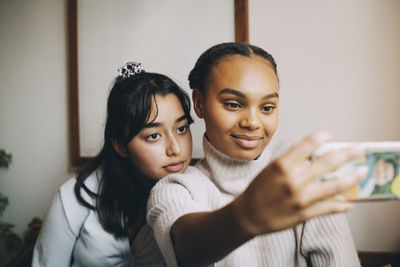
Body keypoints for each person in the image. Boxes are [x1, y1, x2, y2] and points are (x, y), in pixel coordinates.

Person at [147, 43, 368, 266]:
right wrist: (247, 215)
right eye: (233, 104)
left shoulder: (303, 170)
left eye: (267, 108)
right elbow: (185, 248)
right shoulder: (176, 188)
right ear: (199, 103)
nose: (252, 122)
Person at [32, 62, 193, 266]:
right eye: (153, 135)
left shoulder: (196, 192)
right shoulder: (73, 198)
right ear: (120, 145)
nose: (175, 149)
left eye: (181, 129)